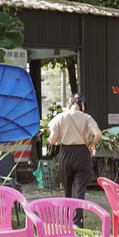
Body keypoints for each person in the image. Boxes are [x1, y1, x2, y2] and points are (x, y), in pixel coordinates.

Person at [47, 94, 103, 227]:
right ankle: (77, 222)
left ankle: (67, 222)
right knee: (79, 190)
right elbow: (98, 134)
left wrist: (52, 136)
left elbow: (52, 140)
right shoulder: (87, 117)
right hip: (82, 154)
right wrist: (91, 143)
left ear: (69, 104)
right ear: (82, 105)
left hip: (66, 153)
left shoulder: (61, 117)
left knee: (68, 189)